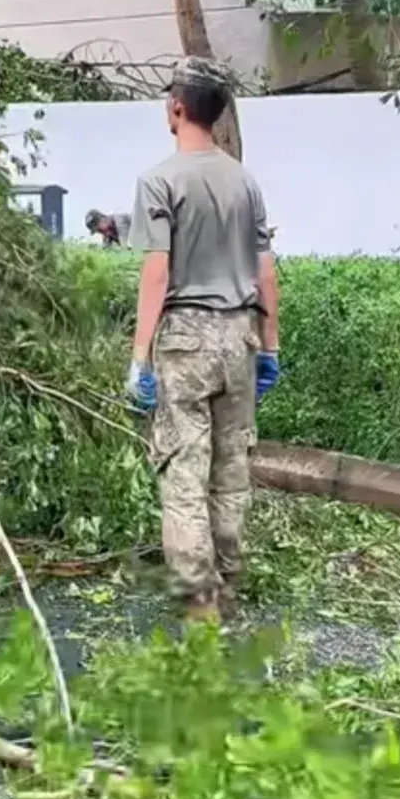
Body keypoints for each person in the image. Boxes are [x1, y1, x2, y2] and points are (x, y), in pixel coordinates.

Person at [125, 57, 280, 621]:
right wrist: (271, 348)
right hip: (241, 339)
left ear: (178, 107)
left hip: (186, 341)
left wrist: (139, 359)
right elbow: (266, 274)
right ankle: (229, 590)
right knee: (231, 473)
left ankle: (200, 606)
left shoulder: (160, 180)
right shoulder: (246, 182)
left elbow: (157, 274)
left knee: (184, 475)